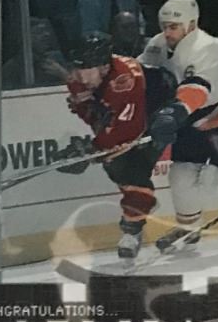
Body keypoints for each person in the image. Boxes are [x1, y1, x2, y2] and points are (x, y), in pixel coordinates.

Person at [139, 0, 218, 244]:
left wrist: (171, 115)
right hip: (196, 112)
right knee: (180, 174)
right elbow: (139, 73)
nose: (167, 32)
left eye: (174, 26)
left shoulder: (209, 48)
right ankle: (188, 229)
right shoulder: (158, 44)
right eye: (164, 26)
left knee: (217, 184)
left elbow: (195, 91)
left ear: (192, 25)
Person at [63, 33, 173, 264]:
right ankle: (141, 204)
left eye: (87, 70)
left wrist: (93, 149)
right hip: (129, 114)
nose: (81, 76)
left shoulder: (125, 79)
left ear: (104, 67)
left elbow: (128, 130)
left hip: (159, 109)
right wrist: (92, 122)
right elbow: (95, 119)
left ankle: (132, 229)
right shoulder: (78, 79)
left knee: (133, 169)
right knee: (115, 165)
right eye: (78, 69)